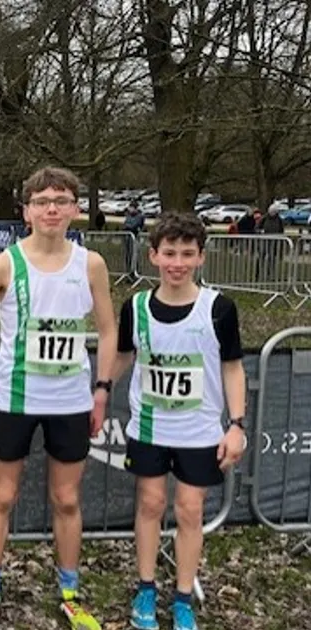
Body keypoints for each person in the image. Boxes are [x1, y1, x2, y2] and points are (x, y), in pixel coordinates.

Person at [0, 167, 117, 630]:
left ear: (75, 209)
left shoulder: (90, 265)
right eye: (42, 201)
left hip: (70, 402)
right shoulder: (4, 264)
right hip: (13, 400)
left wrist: (101, 391)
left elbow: (107, 330)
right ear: (26, 210)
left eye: (61, 200)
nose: (51, 209)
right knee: (1, 495)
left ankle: (70, 593)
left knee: (66, 499)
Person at [114, 212, 246, 630]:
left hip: (200, 431)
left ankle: (184, 596)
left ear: (200, 258)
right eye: (169, 252)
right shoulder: (134, 307)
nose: (177, 262)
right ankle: (146, 589)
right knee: (150, 505)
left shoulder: (219, 309)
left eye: (187, 254)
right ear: (153, 255)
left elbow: (232, 368)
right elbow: (121, 358)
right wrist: (96, 394)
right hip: (150, 429)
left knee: (189, 511)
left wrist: (237, 424)